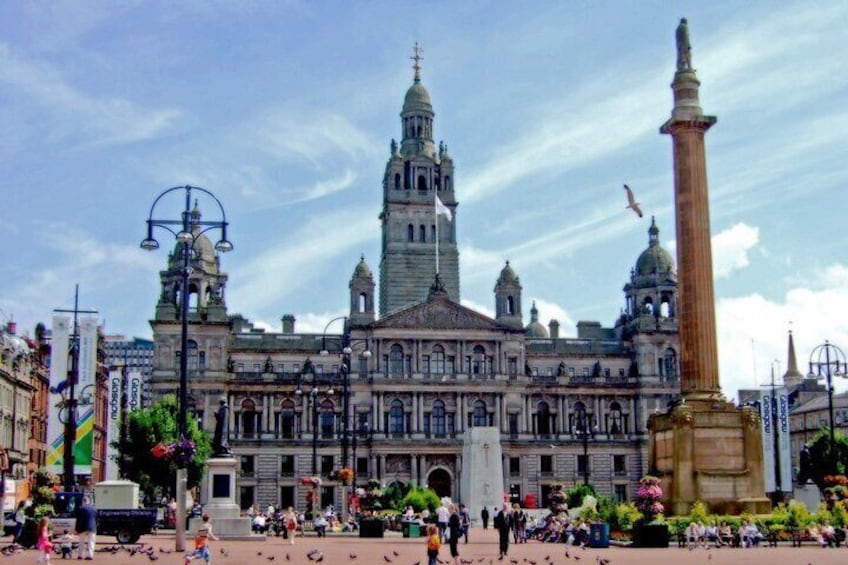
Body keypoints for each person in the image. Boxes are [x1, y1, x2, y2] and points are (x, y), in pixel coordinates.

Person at [74, 496, 97, 560]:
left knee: (81, 542)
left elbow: (78, 520)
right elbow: (96, 519)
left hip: (82, 527)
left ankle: (80, 555)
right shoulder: (94, 508)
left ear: (83, 501)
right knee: (91, 542)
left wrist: (76, 529)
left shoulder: (80, 508)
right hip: (92, 527)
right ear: (89, 501)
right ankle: (90, 555)